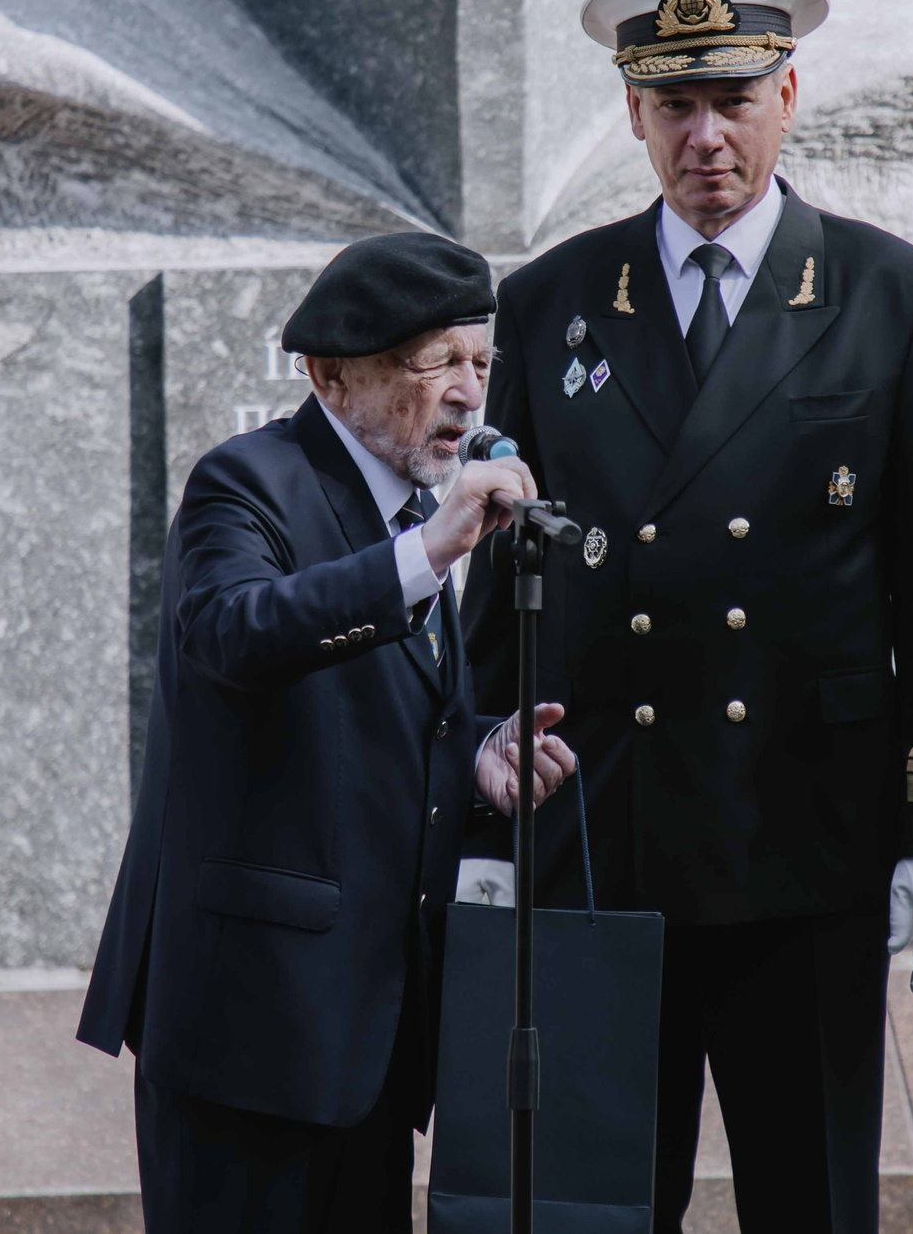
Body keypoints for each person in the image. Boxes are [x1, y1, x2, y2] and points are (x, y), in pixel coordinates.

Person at [462, 0, 913, 1233]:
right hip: (603, 838)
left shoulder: (889, 294)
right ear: (634, 118)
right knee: (594, 1205)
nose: (707, 136)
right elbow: (504, 579)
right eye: (674, 106)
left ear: (789, 95)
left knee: (805, 1198)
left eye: (736, 100)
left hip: (801, 840)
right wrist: (481, 816)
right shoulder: (554, 303)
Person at [77, 230, 578, 1234]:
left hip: (373, 1035)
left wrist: (477, 752)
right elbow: (231, 631)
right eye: (436, 360)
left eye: (481, 363)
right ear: (331, 375)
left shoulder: (409, 516)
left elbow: (369, 718)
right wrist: (431, 552)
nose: (469, 394)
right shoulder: (248, 483)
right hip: (251, 1029)